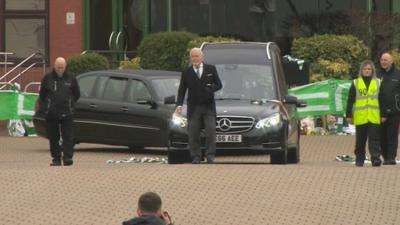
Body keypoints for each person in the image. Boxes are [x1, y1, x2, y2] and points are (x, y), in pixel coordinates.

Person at [175, 48, 223, 164]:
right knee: (193, 132)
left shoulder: (211, 69)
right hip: (194, 107)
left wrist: (210, 89)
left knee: (210, 131)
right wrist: (179, 105)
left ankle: (210, 155)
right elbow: (182, 90)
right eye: (193, 56)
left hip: (208, 107)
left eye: (197, 56)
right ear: (190, 58)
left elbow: (219, 85)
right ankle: (196, 156)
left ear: (202, 57)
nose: (195, 58)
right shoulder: (186, 72)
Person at [39, 57, 80, 166]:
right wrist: (45, 108)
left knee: (68, 136)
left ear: (65, 67)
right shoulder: (47, 78)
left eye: (62, 67)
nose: (60, 70)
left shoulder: (71, 78)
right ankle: (56, 158)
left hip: (67, 113)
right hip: (51, 113)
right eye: (58, 67)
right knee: (53, 137)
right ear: (54, 66)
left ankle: (67, 158)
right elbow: (42, 95)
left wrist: (71, 104)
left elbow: (77, 94)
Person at [346, 60, 383, 167]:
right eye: (365, 69)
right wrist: (348, 115)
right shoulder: (355, 83)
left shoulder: (378, 82)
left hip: (374, 116)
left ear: (372, 71)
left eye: (369, 69)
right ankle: (359, 159)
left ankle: (375, 158)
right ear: (361, 70)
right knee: (360, 140)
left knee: (374, 139)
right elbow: (350, 100)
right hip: (361, 116)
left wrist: (384, 114)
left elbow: (383, 100)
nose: (367, 71)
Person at [377, 52, 400, 165]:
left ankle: (391, 157)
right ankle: (385, 156)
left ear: (391, 61)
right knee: (381, 135)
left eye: (386, 60)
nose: (383, 62)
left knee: (392, 135)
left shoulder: (398, 74)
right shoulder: (376, 74)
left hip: (394, 110)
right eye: (382, 60)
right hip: (379, 111)